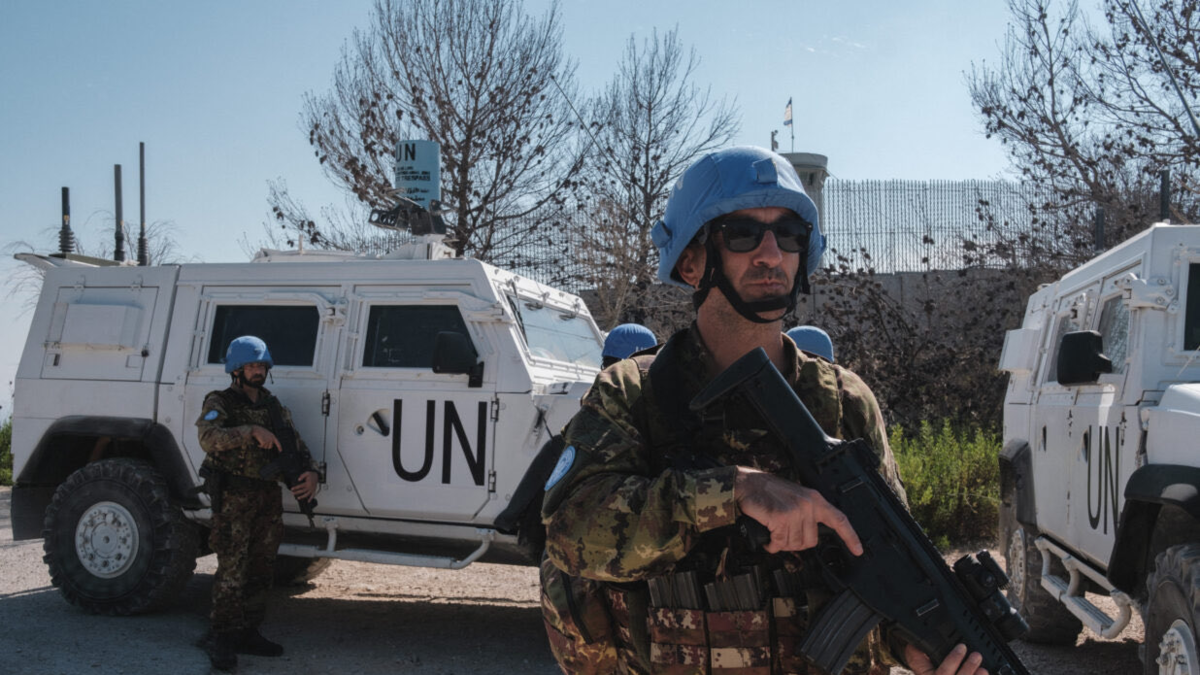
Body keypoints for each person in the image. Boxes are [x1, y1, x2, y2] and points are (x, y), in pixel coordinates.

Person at [539, 146, 987, 675]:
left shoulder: (844, 401)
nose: (772, 255)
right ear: (690, 262)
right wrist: (735, 491)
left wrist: (910, 643)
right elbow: (570, 532)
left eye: (790, 235)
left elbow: (884, 566)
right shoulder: (634, 393)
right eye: (742, 234)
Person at [196, 335, 320, 672]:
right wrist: (249, 431)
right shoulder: (220, 402)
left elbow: (294, 444)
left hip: (267, 496)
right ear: (236, 369)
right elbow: (208, 438)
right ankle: (222, 635)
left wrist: (311, 473)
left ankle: (249, 631)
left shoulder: (273, 406)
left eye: (262, 366)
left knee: (262, 567)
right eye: (251, 366)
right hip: (234, 498)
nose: (257, 371)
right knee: (232, 567)